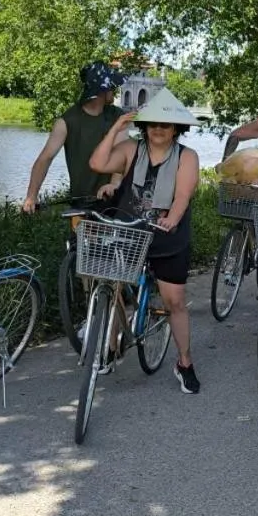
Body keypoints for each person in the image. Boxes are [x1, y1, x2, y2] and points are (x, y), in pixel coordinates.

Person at [89, 86, 202, 395]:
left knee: (174, 302)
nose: (158, 130)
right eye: (152, 124)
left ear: (175, 128)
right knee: (111, 288)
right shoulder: (131, 149)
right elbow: (98, 164)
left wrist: (172, 219)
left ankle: (185, 362)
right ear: (144, 126)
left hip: (167, 236)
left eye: (164, 125)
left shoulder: (187, 157)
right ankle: (111, 347)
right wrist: (115, 128)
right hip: (130, 230)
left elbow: (182, 196)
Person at [22, 62, 126, 212]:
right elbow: (45, 158)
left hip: (114, 202)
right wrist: (31, 196)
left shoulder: (118, 116)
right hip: (81, 204)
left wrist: (114, 184)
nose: (115, 90)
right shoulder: (66, 122)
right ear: (102, 89)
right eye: (112, 86)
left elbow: (121, 155)